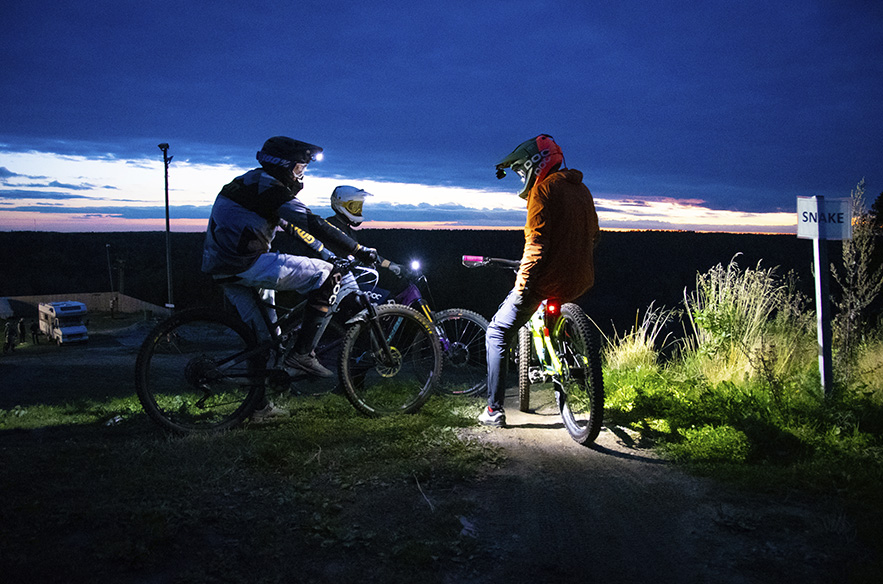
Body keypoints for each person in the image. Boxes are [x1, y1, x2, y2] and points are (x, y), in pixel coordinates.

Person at [202, 136, 378, 420]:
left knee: (263, 340)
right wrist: (358, 250)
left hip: (222, 265)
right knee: (328, 276)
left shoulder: (252, 183)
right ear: (282, 166)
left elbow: (298, 230)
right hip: (247, 263)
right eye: (299, 169)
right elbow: (312, 223)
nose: (302, 175)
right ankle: (303, 354)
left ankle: (258, 408)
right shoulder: (270, 189)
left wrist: (325, 252)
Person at [479, 134, 600, 427]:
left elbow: (536, 245)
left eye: (521, 171)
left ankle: (493, 411)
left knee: (496, 332)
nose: (522, 177)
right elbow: (594, 235)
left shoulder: (542, 191)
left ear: (537, 164)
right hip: (580, 279)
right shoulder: (581, 190)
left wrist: (523, 283)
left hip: (547, 281)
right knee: (549, 306)